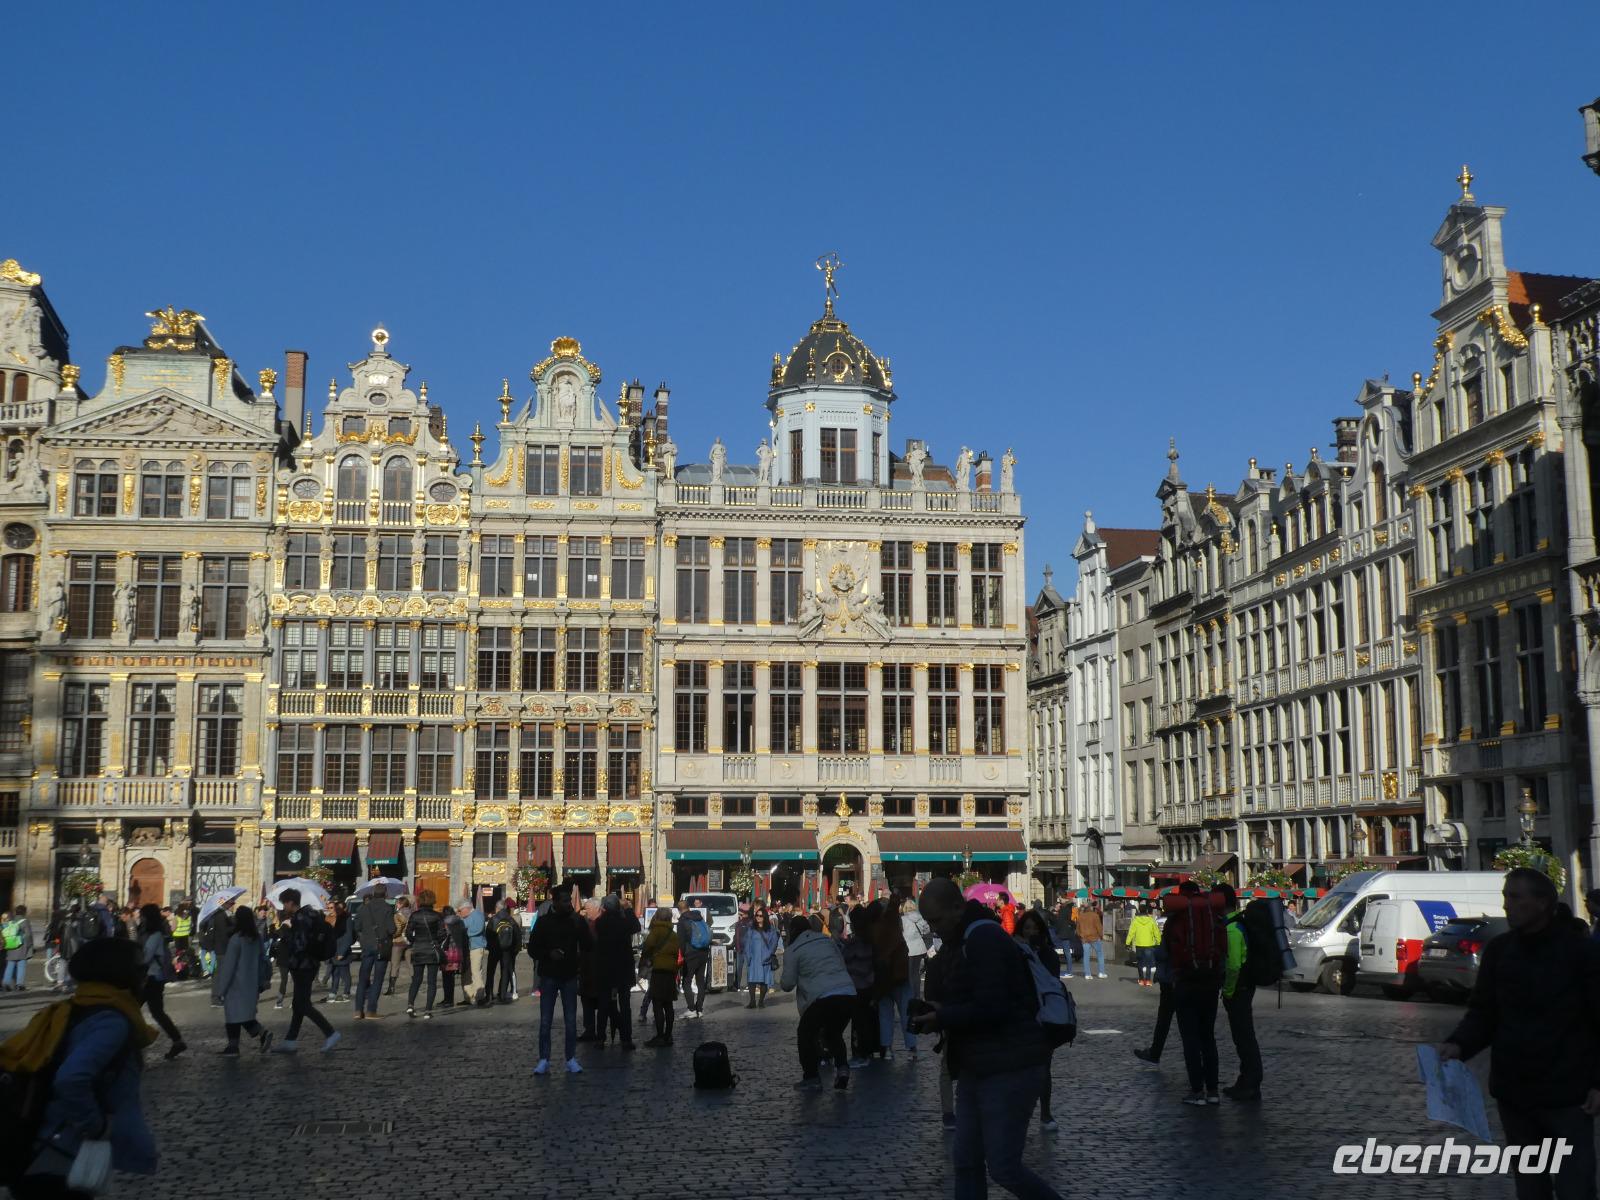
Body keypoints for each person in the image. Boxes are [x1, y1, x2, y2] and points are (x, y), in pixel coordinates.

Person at [1441, 867, 1600, 1200]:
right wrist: (1458, 1044)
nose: (1507, 906)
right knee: (1530, 1187)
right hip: (1515, 1092)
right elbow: (1484, 1012)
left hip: (1567, 1094)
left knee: (1575, 1186)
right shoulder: (1500, 951)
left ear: (1542, 903)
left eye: (1515, 897)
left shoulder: (1579, 952)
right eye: (1505, 897)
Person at [911, 878, 1063, 1200]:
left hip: (1010, 1064)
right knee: (965, 1162)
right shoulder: (962, 939)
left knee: (1004, 1167)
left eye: (936, 920)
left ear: (957, 907)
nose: (934, 929)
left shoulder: (983, 938)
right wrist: (938, 1011)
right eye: (929, 922)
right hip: (977, 1065)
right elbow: (974, 999)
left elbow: (993, 1007)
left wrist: (944, 1016)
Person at [0, 937, 158, 1194]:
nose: (145, 976)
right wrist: (96, 1126)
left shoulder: (72, 1009)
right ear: (120, 973)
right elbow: (71, 1078)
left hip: (39, 1145)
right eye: (140, 969)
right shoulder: (111, 1020)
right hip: (62, 1151)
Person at [779, 913, 856, 1090]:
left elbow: (787, 984)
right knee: (833, 1033)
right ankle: (842, 1068)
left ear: (792, 931)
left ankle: (811, 1077)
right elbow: (841, 963)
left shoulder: (793, 950)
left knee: (805, 1034)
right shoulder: (826, 940)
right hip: (847, 992)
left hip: (822, 996)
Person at [1167, 881, 1223, 1105]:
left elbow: (1168, 949)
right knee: (1208, 1037)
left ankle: (1197, 1090)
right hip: (1210, 983)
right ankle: (1213, 1091)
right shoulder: (1214, 918)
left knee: (1190, 1039)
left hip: (1185, 982)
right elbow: (1223, 948)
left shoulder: (1177, 919)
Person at [528, 886, 594, 1075]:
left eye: (569, 900)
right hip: (549, 974)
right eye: (564, 901)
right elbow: (533, 949)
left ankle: (570, 1058)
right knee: (545, 1020)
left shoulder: (577, 921)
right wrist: (549, 953)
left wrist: (578, 959)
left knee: (571, 1020)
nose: (568, 904)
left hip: (569, 974)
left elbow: (588, 945)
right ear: (555, 902)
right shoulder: (543, 922)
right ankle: (544, 1059)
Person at [1015, 909, 1062, 1133]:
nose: (1030, 931)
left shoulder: (1048, 954)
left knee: (1044, 1067)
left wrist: (1036, 953)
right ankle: (1021, 1112)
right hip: (1022, 1015)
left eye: (1034, 928)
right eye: (1027, 928)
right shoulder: (1015, 952)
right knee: (1021, 1067)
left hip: (1045, 1016)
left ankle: (1045, 1112)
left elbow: (1052, 982)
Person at [275, 890, 339, 1053]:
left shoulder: (301, 918)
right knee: (298, 1004)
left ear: (291, 902)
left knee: (303, 1005)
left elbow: (300, 944)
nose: (284, 907)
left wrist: (287, 933)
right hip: (309, 964)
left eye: (284, 903)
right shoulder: (311, 915)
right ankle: (290, 1040)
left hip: (303, 965)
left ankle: (330, 1032)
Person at [1218, 884, 1262, 1101]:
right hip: (1246, 986)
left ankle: (1251, 1082)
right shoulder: (1238, 923)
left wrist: (1227, 991)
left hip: (1239, 988)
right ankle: (1247, 1080)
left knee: (1244, 1036)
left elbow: (1234, 965)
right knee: (1244, 1036)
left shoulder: (1231, 929)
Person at [216, 906, 273, 1055]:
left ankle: (233, 1046)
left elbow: (229, 966)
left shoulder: (236, 940)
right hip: (251, 983)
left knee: (233, 1017)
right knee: (245, 1016)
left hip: (236, 985)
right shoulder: (257, 938)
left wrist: (221, 989)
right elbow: (262, 960)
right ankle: (262, 1033)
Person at [136, 904, 185, 1061]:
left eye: (142, 915)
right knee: (156, 1012)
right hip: (153, 978)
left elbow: (146, 957)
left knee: (134, 1008)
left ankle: (135, 1042)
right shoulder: (149, 933)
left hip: (151, 978)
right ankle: (177, 1041)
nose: (140, 918)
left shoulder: (155, 935)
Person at [594, 894, 641, 1048]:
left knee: (603, 1004)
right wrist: (627, 909)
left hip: (605, 967)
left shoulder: (600, 922)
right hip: (623, 967)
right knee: (625, 1005)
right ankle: (626, 1038)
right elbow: (636, 926)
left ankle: (600, 1038)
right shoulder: (623, 922)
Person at [874, 900, 914, 1060]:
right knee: (906, 1013)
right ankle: (912, 1048)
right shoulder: (897, 931)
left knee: (885, 1014)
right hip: (900, 976)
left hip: (883, 978)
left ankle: (886, 1047)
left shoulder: (876, 931)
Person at [841, 903, 879, 1067]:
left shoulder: (856, 943)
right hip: (870, 985)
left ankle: (861, 1053)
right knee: (870, 1019)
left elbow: (848, 960)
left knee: (858, 1022)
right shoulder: (872, 940)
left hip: (857, 986)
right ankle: (872, 1050)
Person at [639, 907, 680, 1047]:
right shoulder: (673, 934)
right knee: (668, 1004)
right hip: (670, 971)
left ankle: (660, 1036)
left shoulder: (655, 932)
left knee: (657, 1004)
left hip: (658, 970)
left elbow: (647, 948)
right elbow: (677, 952)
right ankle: (669, 1036)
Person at [1132, 940, 1176, 1069]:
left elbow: (1162, 953)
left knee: (1164, 1020)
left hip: (1171, 979)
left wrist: (1156, 949)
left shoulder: (1174, 925)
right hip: (1191, 979)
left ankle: (1155, 1053)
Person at [404, 890, 445, 1019]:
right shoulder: (437, 916)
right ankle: (427, 1010)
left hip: (418, 949)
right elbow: (442, 933)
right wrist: (436, 942)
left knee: (416, 979)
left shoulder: (414, 916)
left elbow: (408, 933)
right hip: (432, 950)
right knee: (431, 982)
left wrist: (414, 941)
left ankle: (410, 1005)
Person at [577, 899, 605, 1042]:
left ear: (596, 909)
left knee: (601, 1002)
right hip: (586, 968)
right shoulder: (586, 923)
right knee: (587, 1000)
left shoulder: (603, 924)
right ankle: (589, 1030)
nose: (585, 911)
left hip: (600, 969)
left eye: (587, 909)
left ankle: (600, 1032)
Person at [744, 905, 781, 1009]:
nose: (758, 917)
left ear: (764, 917)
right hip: (753, 957)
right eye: (757, 915)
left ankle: (761, 1001)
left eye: (760, 916)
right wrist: (748, 954)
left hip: (765, 958)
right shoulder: (751, 928)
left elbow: (773, 944)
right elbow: (747, 942)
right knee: (751, 980)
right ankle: (752, 1001)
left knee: (763, 980)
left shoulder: (771, 930)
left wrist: (768, 955)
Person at [197, 894, 235, 994]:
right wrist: (235, 925)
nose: (232, 905)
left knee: (219, 973)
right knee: (218, 973)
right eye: (231, 903)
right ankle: (216, 997)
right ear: (225, 904)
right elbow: (224, 932)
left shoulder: (221, 914)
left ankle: (218, 995)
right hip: (220, 948)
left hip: (219, 947)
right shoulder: (220, 915)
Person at [486, 898, 522, 1003]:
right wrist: (515, 949)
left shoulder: (493, 919)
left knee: (490, 972)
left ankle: (489, 995)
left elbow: (488, 933)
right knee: (505, 971)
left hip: (494, 949)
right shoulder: (511, 919)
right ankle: (502, 995)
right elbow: (517, 935)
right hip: (507, 950)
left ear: (497, 908)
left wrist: (490, 946)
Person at [439, 903, 471, 1008]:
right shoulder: (460, 922)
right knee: (451, 977)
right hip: (458, 952)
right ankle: (449, 999)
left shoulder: (445, 923)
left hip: (448, 952)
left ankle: (448, 999)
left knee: (446, 977)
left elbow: (441, 936)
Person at [902, 899, 931, 1000]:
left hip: (908, 948)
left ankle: (911, 995)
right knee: (916, 973)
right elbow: (927, 930)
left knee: (909, 973)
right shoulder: (920, 917)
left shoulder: (903, 919)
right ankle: (917, 994)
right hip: (919, 947)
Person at [1126, 904, 1161, 987]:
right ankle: (1148, 980)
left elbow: (1131, 933)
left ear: (1139, 911)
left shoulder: (1135, 920)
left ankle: (1141, 979)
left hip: (1139, 944)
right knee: (1148, 963)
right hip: (1149, 944)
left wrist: (1127, 943)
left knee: (1140, 963)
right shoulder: (1151, 920)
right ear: (1146, 911)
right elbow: (1156, 932)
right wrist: (1159, 942)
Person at [326, 901, 354, 1003]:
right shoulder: (333, 918)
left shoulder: (347, 919)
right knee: (335, 973)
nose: (336, 910)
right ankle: (333, 991)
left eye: (339, 909)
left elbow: (349, 937)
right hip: (334, 950)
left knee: (344, 973)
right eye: (336, 908)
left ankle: (346, 993)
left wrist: (342, 952)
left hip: (342, 950)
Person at [386, 895, 412, 996]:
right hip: (409, 942)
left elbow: (397, 929)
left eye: (397, 903)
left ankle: (391, 988)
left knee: (395, 965)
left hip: (398, 942)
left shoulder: (398, 915)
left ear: (401, 904)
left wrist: (392, 935)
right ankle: (415, 983)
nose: (396, 904)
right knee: (410, 964)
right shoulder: (412, 914)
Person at [3, 904, 33, 991]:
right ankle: (20, 984)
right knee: (21, 965)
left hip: (11, 946)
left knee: (10, 965)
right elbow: (28, 935)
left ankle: (6, 983)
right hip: (21, 946)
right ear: (24, 912)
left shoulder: (11, 920)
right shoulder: (25, 921)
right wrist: (29, 946)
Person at [463, 899, 487, 996]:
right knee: (472, 972)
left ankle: (479, 995)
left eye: (461, 910)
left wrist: (466, 933)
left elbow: (478, 929)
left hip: (476, 947)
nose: (460, 912)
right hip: (472, 947)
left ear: (467, 908)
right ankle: (472, 994)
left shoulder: (477, 915)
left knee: (476, 972)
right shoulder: (470, 916)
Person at [1076, 902, 1106, 980]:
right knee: (1100, 955)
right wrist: (1101, 936)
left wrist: (1081, 936)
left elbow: (1077, 930)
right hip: (1095, 938)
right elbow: (1099, 927)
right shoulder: (1095, 916)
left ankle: (1087, 974)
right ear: (1091, 908)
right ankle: (1101, 972)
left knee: (1086, 956)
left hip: (1085, 939)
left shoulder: (1080, 917)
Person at [1052, 900, 1077, 979]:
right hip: (1066, 933)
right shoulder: (1068, 910)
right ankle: (1069, 971)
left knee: (1067, 952)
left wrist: (1057, 931)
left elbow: (1059, 923)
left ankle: (1069, 972)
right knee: (1067, 952)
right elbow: (1069, 921)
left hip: (1063, 933)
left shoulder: (1063, 911)